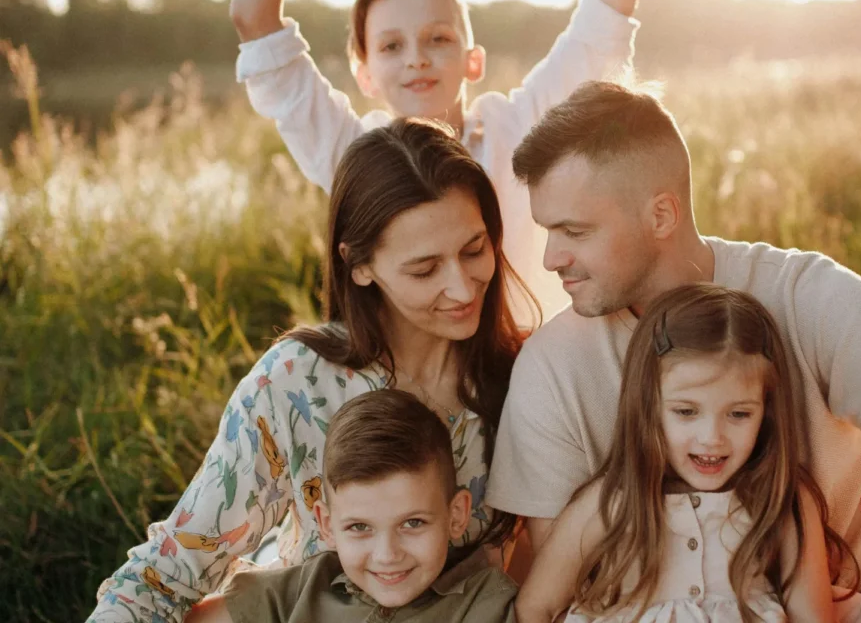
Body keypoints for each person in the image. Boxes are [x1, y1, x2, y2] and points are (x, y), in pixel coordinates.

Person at [485, 82, 861, 622]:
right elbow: (555, 590)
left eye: (574, 231)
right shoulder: (552, 366)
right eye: (547, 232)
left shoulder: (811, 296)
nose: (551, 258)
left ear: (662, 215)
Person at [88, 119, 531, 623]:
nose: (462, 287)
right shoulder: (293, 383)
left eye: (474, 250)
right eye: (425, 269)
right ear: (359, 265)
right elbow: (165, 577)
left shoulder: (527, 380)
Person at [228, 0, 677, 319]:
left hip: (536, 372)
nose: (417, 60)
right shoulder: (354, 152)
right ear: (365, 75)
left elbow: (607, 15)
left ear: (472, 61)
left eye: (437, 39)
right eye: (391, 47)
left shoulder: (521, 127)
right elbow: (254, 21)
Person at [515, 284, 861, 623]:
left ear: (767, 411)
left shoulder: (779, 501)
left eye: (739, 414)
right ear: (648, 407)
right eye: (686, 412)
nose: (712, 438)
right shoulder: (611, 504)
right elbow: (536, 608)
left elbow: (812, 617)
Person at [186, 390, 517, 623]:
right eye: (360, 527)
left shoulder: (488, 604)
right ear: (328, 526)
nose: (387, 555)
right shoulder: (297, 591)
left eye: (413, 523)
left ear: (456, 515)